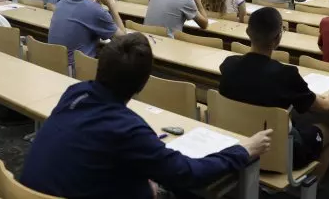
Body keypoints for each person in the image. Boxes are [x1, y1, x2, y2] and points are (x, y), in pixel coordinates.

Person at [21, 33, 272, 199]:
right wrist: (243, 150)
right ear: (142, 84)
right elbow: (187, 173)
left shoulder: (75, 93)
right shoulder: (127, 129)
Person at [219, 7, 329, 178]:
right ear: (278, 38)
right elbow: (326, 107)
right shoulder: (286, 75)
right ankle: (312, 189)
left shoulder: (228, 64)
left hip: (237, 143)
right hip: (280, 153)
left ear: (247, 32)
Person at [48, 0, 126, 63]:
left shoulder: (62, 2)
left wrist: (97, 2)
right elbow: (124, 40)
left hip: (53, 64)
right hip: (76, 71)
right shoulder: (95, 11)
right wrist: (112, 6)